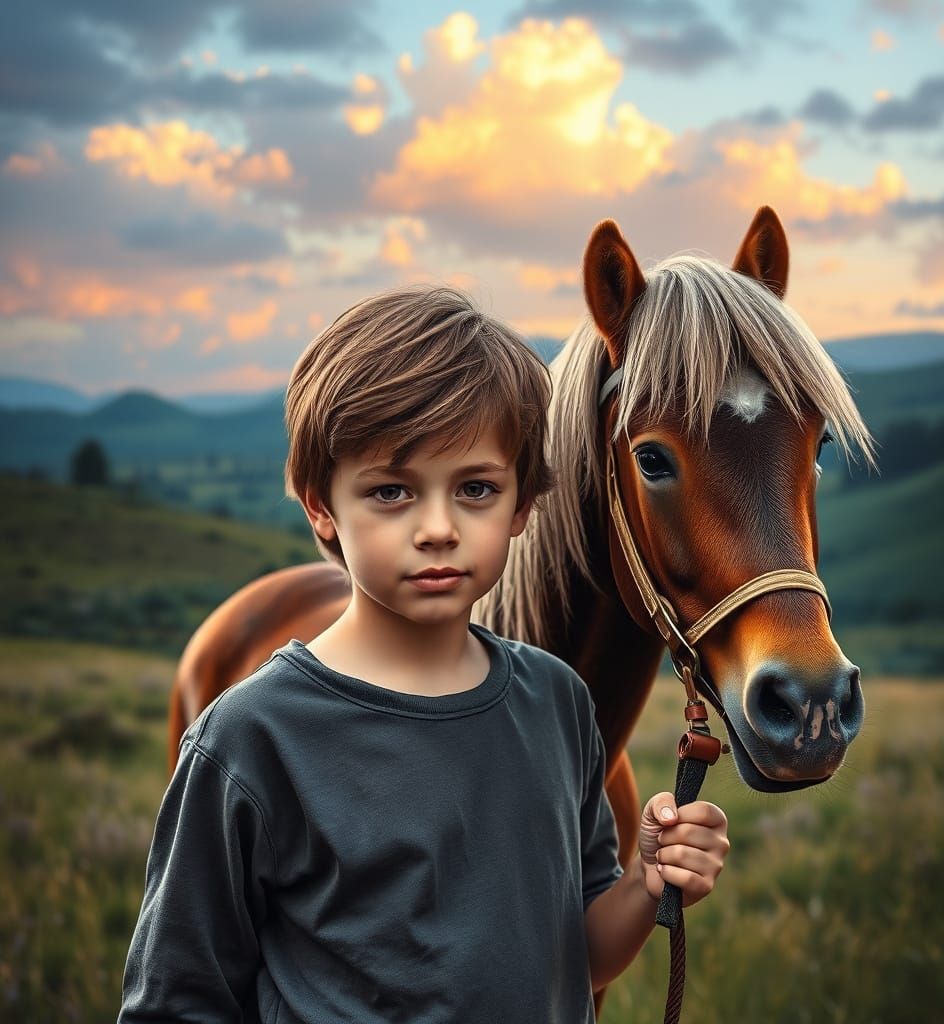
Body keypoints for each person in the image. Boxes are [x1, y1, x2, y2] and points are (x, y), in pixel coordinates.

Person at [118, 286, 730, 1023]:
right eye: (390, 492)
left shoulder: (559, 705)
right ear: (320, 504)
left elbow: (583, 954)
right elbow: (175, 1002)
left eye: (475, 488)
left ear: (523, 504)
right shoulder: (250, 739)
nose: (438, 528)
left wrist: (647, 880)